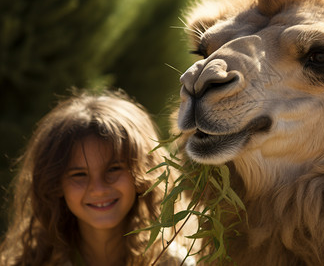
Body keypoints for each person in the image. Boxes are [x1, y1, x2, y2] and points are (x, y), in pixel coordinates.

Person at [0, 90, 190, 266]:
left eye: (113, 169)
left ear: (144, 171)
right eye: (79, 174)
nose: (98, 188)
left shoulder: (171, 262)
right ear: (55, 183)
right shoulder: (33, 262)